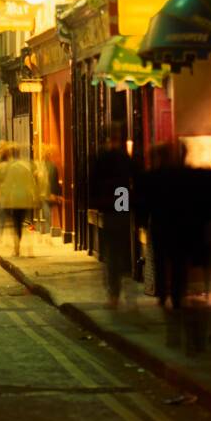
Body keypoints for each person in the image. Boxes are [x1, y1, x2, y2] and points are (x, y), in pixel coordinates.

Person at [89, 124, 140, 308]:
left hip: (109, 205)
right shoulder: (123, 157)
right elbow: (134, 178)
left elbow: (93, 181)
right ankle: (127, 294)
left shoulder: (102, 157)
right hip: (120, 201)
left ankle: (114, 294)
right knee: (121, 250)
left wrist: (96, 203)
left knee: (111, 252)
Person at [0, 143, 38, 256]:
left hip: (15, 199)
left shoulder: (12, 167)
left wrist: (3, 198)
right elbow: (32, 182)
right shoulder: (26, 166)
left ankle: (17, 249)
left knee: (16, 225)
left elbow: (8, 184)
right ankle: (30, 249)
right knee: (28, 223)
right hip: (26, 198)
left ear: (11, 154)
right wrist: (35, 197)